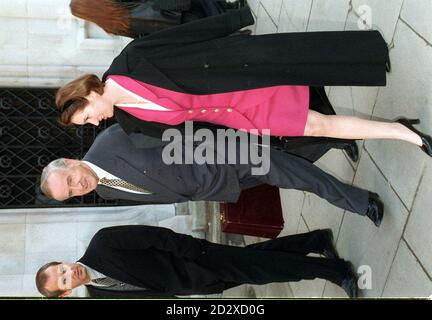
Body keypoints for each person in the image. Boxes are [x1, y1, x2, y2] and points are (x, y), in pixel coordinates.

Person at [56, 7, 431, 157]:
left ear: (90, 93)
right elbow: (192, 134)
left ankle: (369, 61)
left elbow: (185, 36)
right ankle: (402, 132)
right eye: (87, 124)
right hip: (241, 120)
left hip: (242, 78)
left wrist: (236, 19)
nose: (95, 123)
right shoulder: (130, 121)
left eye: (87, 116)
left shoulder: (131, 60)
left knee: (312, 62)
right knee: (320, 125)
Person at [40, 124, 384, 227]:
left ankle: (360, 202)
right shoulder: (108, 192)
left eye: (70, 180)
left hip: (222, 155)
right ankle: (337, 135)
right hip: (218, 185)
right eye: (71, 194)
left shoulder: (112, 140)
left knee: (294, 176)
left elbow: (175, 132)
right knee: (290, 162)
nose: (78, 187)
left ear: (71, 161)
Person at [35, 225, 359, 298]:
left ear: (63, 261)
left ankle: (335, 271)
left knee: (264, 271)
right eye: (63, 280)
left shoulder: (102, 243)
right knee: (257, 261)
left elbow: (156, 237)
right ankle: (316, 240)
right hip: (196, 285)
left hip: (200, 259)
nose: (69, 273)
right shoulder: (99, 295)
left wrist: (198, 252)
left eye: (61, 269)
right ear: (64, 294)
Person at [69, 0, 245, 38]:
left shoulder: (112, 27)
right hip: (168, 9)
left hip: (170, 28)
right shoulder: (114, 3)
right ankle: (231, 10)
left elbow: (141, 37)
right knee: (201, 6)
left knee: (202, 21)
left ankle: (232, 26)